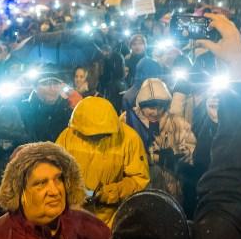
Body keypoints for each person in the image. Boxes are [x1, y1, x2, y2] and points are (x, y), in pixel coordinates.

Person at [56, 96, 149, 224]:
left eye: (101, 134)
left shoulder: (129, 139)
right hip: (72, 217)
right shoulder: (68, 135)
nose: (95, 138)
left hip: (110, 219)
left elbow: (139, 180)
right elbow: (54, 171)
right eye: (89, 135)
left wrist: (110, 192)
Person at [126, 77, 196, 203]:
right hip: (137, 193)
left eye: (160, 107)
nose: (155, 112)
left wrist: (172, 156)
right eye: (150, 108)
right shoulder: (127, 121)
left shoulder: (176, 123)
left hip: (171, 195)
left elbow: (191, 153)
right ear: (140, 105)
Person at [19, 75, 73, 142]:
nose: (52, 88)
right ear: (35, 87)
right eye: (45, 83)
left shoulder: (69, 113)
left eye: (55, 83)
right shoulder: (21, 110)